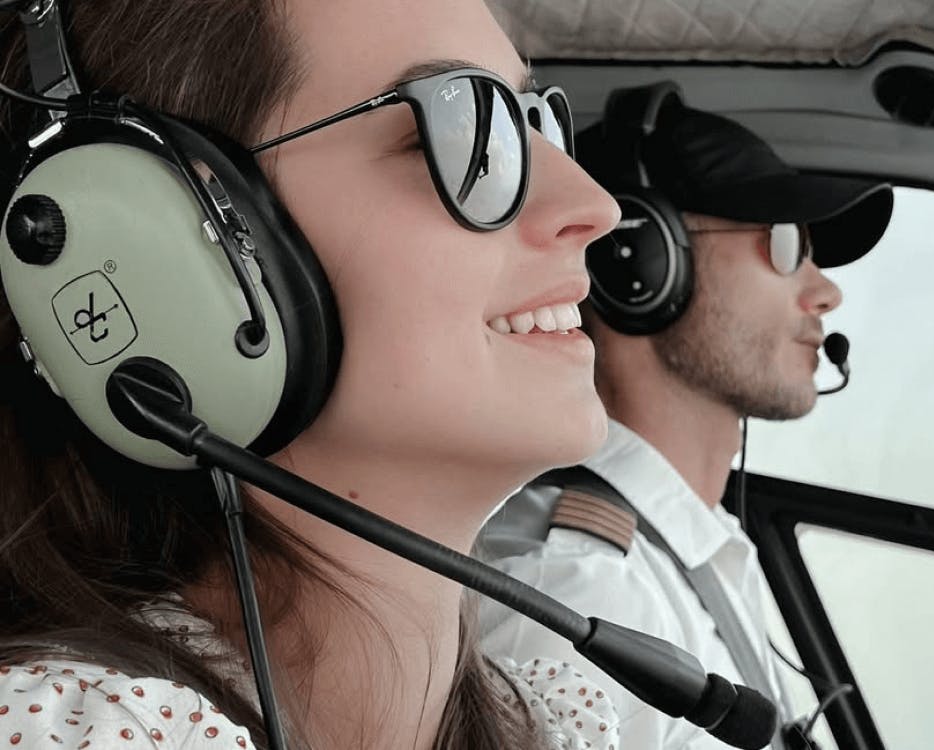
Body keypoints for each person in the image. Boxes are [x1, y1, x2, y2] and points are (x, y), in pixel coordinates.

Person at [0, 0, 625, 748]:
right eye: (466, 126)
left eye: (536, 123)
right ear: (158, 246)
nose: (596, 205)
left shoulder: (555, 726)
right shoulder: (78, 735)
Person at [477, 82, 894, 748]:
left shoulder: (701, 545)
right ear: (639, 262)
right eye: (784, 244)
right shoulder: (577, 591)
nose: (826, 291)